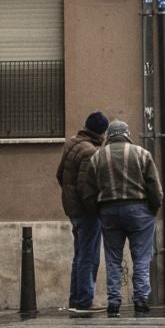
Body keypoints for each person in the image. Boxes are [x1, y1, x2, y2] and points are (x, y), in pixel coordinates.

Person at [77, 119, 162, 317]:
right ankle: (141, 299)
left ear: (109, 136)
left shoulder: (97, 157)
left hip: (109, 211)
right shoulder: (142, 154)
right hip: (139, 210)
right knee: (141, 257)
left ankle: (114, 301)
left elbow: (88, 192)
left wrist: (97, 211)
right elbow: (154, 188)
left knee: (113, 258)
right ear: (126, 134)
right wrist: (153, 209)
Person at [56, 111, 108, 314]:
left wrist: (70, 199)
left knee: (79, 255)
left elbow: (60, 175)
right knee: (89, 255)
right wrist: (95, 210)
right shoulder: (90, 152)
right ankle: (85, 300)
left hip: (73, 209)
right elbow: (86, 188)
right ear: (101, 132)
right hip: (87, 212)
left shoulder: (71, 144)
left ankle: (75, 298)